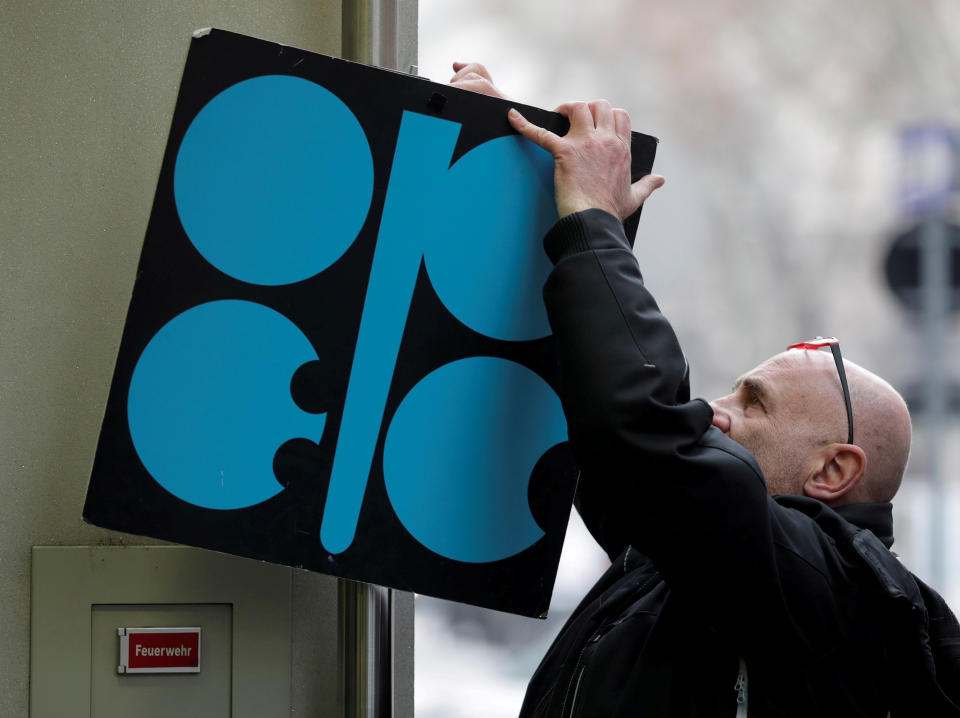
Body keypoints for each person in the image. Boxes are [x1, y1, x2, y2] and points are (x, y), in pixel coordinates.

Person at [450, 63, 960, 717]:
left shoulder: (834, 585)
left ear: (833, 468)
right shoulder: (690, 562)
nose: (712, 415)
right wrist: (518, 184)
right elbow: (602, 411)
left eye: (755, 404)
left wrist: (595, 223)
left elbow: (646, 429)